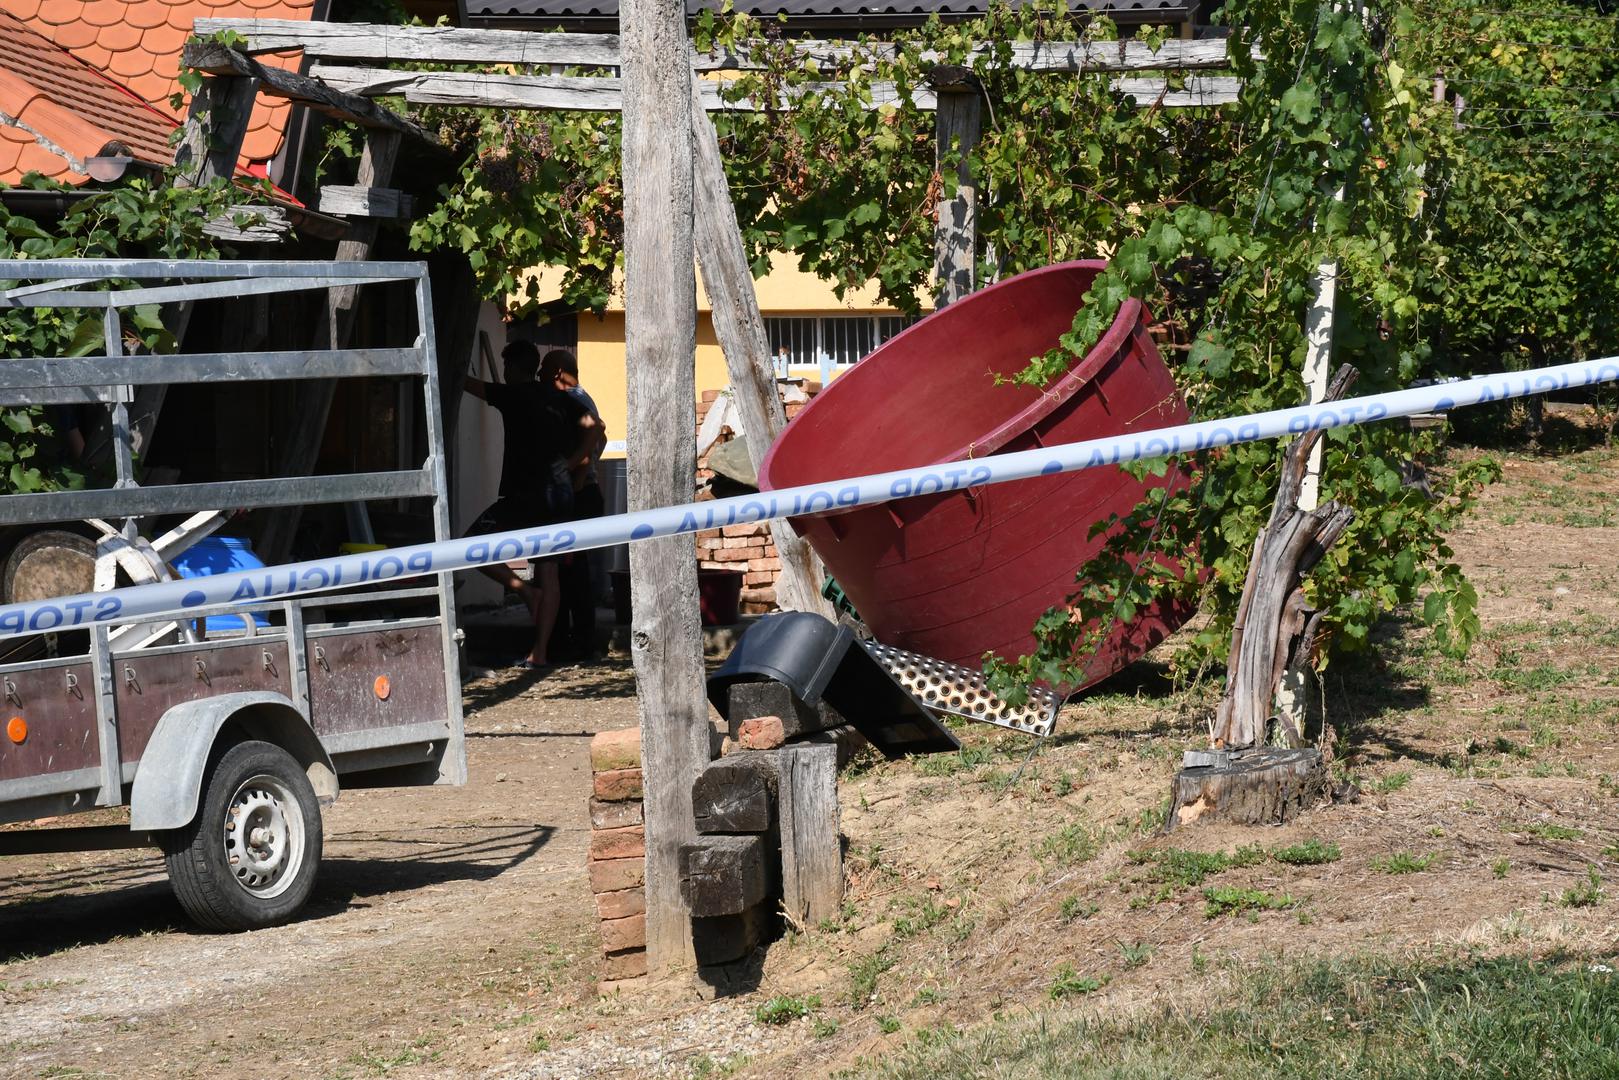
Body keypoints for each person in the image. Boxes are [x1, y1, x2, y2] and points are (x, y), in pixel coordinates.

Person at [464, 341, 598, 670]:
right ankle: (539, 653)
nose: (505, 372)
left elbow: (470, 386)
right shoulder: (559, 398)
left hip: (526, 495)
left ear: (513, 368)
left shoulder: (514, 395)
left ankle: (523, 590)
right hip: (560, 496)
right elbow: (595, 429)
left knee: (469, 545)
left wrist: (449, 370)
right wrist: (570, 465)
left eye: (506, 366)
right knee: (549, 569)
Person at [540, 348, 608, 660]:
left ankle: (580, 643)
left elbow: (597, 432)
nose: (540, 375)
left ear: (557, 373)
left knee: (574, 572)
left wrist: (575, 470)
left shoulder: (575, 400)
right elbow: (600, 439)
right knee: (573, 571)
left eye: (544, 370)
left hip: (580, 494)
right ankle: (576, 640)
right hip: (581, 491)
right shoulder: (582, 397)